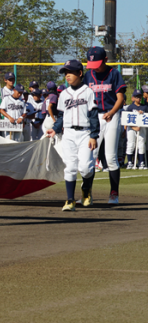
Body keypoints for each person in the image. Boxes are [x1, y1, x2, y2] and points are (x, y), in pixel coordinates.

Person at [45, 60, 99, 211]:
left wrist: (94, 135)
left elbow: (94, 115)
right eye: (65, 73)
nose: (67, 75)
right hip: (68, 133)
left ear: (80, 73)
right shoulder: (63, 94)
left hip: (85, 133)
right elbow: (61, 116)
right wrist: (55, 128)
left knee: (86, 168)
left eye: (70, 72)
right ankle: (70, 200)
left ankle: (86, 190)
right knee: (70, 167)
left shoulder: (88, 92)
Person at [84, 46, 126, 204]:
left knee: (110, 157)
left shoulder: (114, 74)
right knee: (91, 157)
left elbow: (120, 98)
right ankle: (87, 193)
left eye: (98, 63)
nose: (95, 67)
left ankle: (114, 193)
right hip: (94, 117)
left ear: (106, 60)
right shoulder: (88, 75)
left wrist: (112, 112)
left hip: (111, 115)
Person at [123, 91, 147, 170]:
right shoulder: (130, 107)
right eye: (137, 97)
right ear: (133, 98)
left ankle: (141, 162)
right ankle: (130, 162)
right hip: (131, 128)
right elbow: (126, 119)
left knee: (141, 144)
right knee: (131, 144)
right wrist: (133, 127)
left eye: (140, 97)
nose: (138, 98)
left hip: (142, 128)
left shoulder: (144, 107)